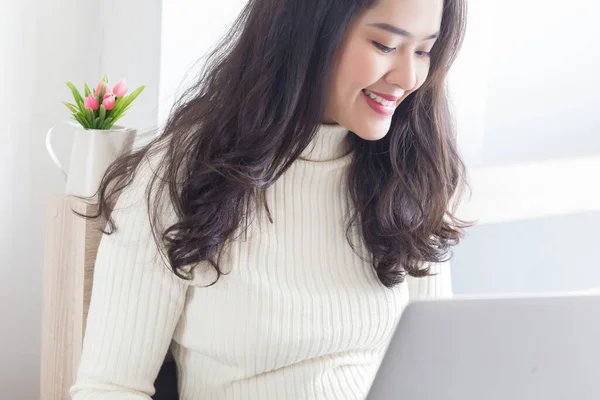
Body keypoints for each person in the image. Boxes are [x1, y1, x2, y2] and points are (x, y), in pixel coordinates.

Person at [70, 0, 468, 398]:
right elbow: (108, 387)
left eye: (423, 51)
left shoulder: (410, 173)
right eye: (384, 45)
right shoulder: (184, 175)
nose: (409, 76)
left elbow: (438, 377)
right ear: (309, 31)